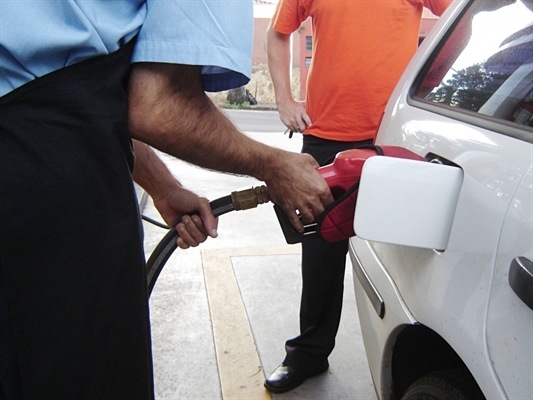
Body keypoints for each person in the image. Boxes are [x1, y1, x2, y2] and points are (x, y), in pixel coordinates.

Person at [0, 1, 334, 398]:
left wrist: (162, 186)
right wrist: (274, 165)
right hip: (43, 192)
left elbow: (78, 99)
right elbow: (159, 106)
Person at [264, 0, 452, 393]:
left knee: (407, 253)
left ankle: (423, 356)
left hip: (389, 137)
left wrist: (425, 80)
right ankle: (308, 354)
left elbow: (458, 23)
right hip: (324, 137)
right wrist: (284, 99)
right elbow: (278, 33)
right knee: (319, 255)